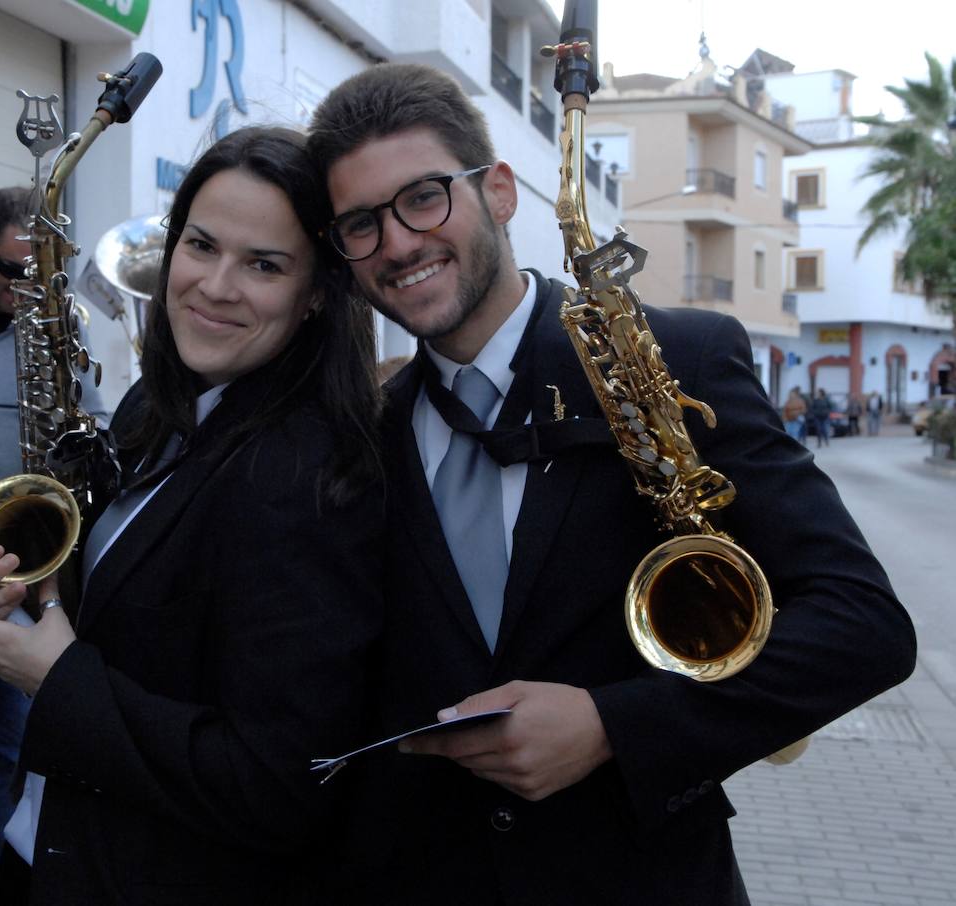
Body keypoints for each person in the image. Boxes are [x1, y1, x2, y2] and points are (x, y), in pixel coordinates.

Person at [305, 63, 916, 905]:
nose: (400, 243)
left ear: (502, 192)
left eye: (424, 198)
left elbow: (864, 626)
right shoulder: (364, 432)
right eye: (361, 224)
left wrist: (613, 726)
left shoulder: (678, 359)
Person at [0, 126, 384, 904]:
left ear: (318, 293)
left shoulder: (307, 479)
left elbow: (279, 786)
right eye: (201, 245)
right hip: (49, 854)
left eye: (264, 265)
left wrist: (52, 677)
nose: (214, 286)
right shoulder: (157, 406)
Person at [0, 186, 109, 903]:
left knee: (15, 757)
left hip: (20, 580)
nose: (23, 291)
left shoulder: (56, 323)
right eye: (13, 273)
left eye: (37, 277)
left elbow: (90, 433)